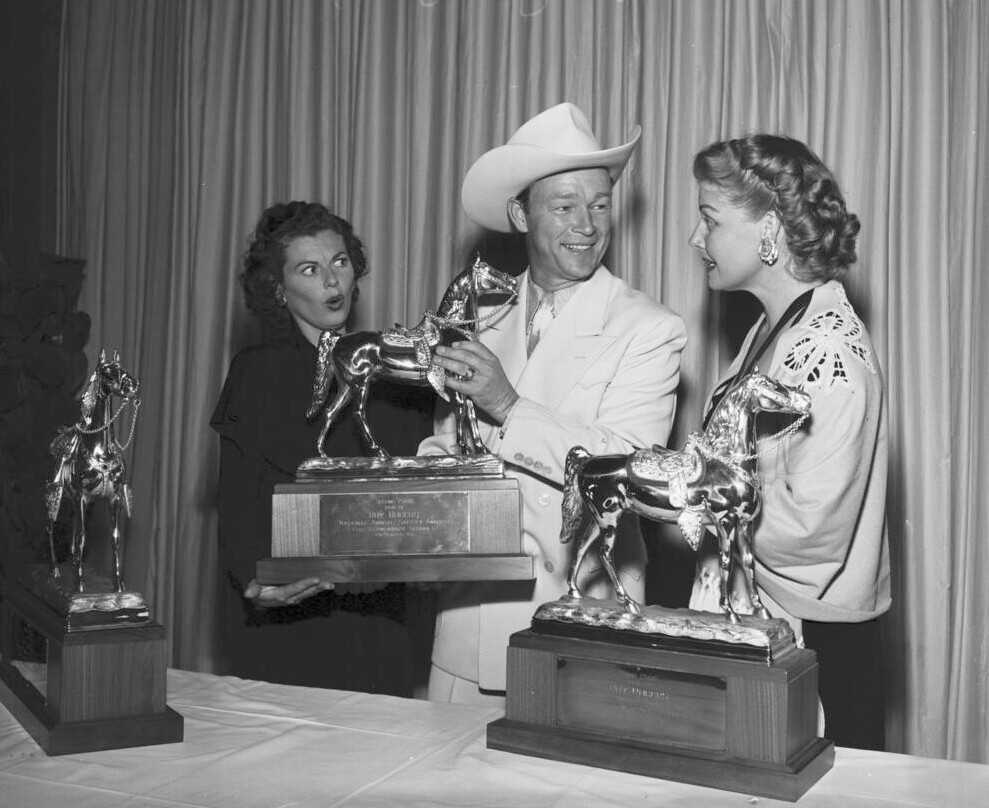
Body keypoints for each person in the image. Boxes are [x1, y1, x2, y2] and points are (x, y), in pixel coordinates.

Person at [421, 103, 688, 704]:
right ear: (521, 214)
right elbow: (448, 445)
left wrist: (509, 407)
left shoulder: (649, 327)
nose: (587, 225)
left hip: (579, 622)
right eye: (565, 206)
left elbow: (628, 467)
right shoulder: (477, 317)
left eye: (600, 205)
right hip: (469, 628)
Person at [687, 135, 890, 749]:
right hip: (757, 627)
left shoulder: (825, 350)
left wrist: (688, 498)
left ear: (769, 228)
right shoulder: (774, 329)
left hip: (811, 652)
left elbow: (812, 534)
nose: (696, 238)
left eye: (710, 220)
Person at [211, 201, 433, 694]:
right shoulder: (255, 371)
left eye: (340, 262)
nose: (332, 281)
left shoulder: (392, 370)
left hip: (379, 622)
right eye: (309, 269)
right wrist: (255, 584)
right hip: (289, 619)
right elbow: (237, 504)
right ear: (278, 288)